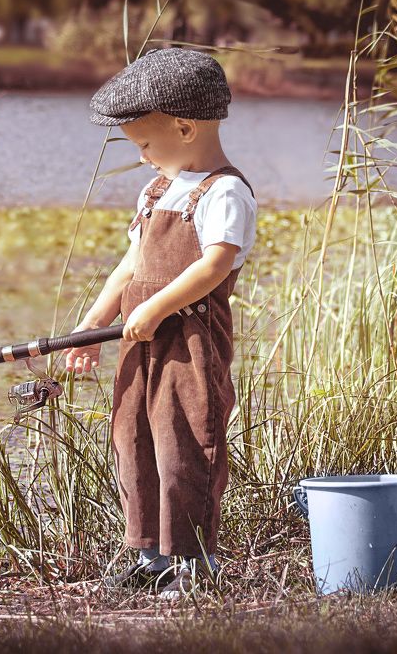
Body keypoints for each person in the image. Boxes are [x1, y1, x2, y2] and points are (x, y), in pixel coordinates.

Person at [64, 48, 257, 599]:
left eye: (146, 144)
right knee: (133, 440)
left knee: (186, 443)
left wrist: (155, 309)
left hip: (189, 342)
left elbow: (215, 262)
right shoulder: (155, 192)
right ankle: (148, 554)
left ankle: (194, 563)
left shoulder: (223, 191)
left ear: (184, 127)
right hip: (138, 341)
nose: (144, 157)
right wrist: (94, 320)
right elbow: (130, 265)